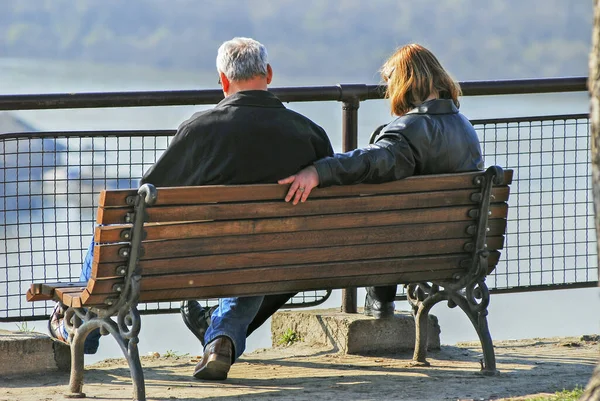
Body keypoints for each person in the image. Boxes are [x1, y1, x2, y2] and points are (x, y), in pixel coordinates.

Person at [49, 37, 334, 380]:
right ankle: (222, 339)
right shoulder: (309, 133)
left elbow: (139, 205)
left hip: (195, 261)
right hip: (270, 260)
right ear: (269, 74)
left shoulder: (200, 130)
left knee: (113, 230)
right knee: (255, 253)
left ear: (224, 81)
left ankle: (78, 323)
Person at [278, 43, 484, 319]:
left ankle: (380, 299)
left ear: (403, 83)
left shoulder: (408, 130)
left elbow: (369, 161)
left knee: (383, 211)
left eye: (389, 84)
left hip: (410, 252)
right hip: (460, 250)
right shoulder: (465, 127)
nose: (388, 93)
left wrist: (318, 171)